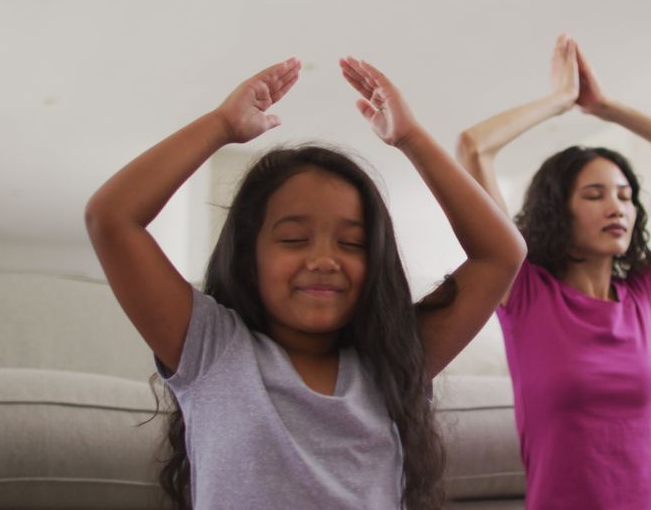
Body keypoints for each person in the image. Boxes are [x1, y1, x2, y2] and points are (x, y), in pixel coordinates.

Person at [85, 57, 526, 509]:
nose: (323, 260)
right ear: (248, 256)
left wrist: (411, 139)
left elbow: (502, 254)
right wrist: (220, 125)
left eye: (351, 243)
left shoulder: (394, 360)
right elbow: (112, 218)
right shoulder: (210, 348)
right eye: (294, 239)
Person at [455, 35, 651, 509]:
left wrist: (608, 108)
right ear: (557, 211)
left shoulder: (645, 293)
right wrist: (559, 102)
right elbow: (473, 147)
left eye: (626, 196)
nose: (617, 208)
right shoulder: (522, 290)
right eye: (595, 195)